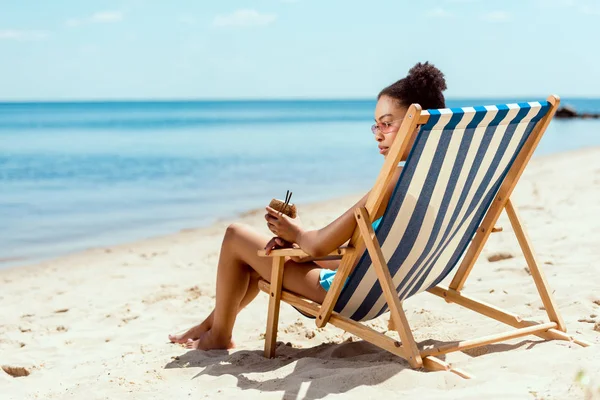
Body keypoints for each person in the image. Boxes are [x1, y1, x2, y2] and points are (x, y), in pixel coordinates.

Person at [169, 62, 447, 350]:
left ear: (420, 121)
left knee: (235, 235)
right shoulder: (438, 177)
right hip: (388, 284)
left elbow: (317, 245)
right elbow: (371, 250)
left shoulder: (396, 179)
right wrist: (300, 248)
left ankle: (217, 337)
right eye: (376, 125)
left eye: (388, 123)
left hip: (346, 294)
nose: (378, 133)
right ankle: (210, 326)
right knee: (262, 257)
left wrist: (296, 233)